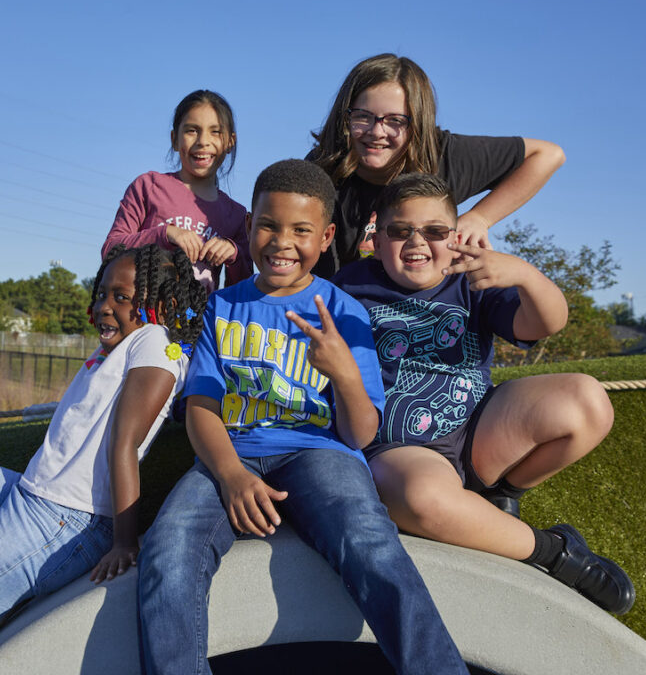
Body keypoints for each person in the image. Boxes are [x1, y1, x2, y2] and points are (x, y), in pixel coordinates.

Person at [138, 160, 467, 675]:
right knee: (167, 549)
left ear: (327, 236)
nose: (281, 241)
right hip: (234, 453)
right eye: (268, 225)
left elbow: (359, 432)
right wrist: (230, 476)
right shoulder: (222, 308)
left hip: (321, 454)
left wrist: (344, 375)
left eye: (301, 230)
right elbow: (202, 407)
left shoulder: (343, 312)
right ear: (248, 227)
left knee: (369, 541)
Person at [0, 244, 207, 674]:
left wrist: (124, 542)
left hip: (64, 519)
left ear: (160, 305)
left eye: (122, 298)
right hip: (30, 496)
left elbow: (124, 442)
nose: (105, 306)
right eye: (101, 293)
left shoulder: (155, 345)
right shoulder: (117, 348)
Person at [333, 173, 634, 615]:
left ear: (454, 238)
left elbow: (546, 324)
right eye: (400, 231)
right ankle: (555, 552)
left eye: (434, 231)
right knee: (423, 499)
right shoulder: (347, 287)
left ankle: (501, 494)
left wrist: (526, 275)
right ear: (376, 241)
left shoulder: (470, 279)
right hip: (400, 447)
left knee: (587, 400)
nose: (417, 242)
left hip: (479, 428)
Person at [307, 53, 565, 278]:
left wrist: (481, 218)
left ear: (418, 123)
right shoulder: (318, 172)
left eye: (396, 120)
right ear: (344, 116)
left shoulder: (444, 154)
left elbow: (547, 155)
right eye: (363, 116)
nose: (377, 131)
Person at [103, 89, 252, 294]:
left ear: (229, 142)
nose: (203, 141)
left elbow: (243, 287)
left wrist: (233, 254)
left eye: (215, 131)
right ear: (175, 139)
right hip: (139, 318)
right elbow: (110, 249)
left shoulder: (236, 215)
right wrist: (165, 234)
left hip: (196, 323)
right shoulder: (148, 186)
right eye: (192, 130)